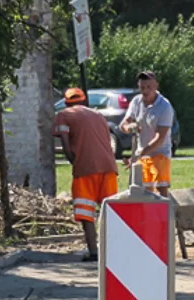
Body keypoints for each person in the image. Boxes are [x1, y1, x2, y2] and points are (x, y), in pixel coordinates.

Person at [52, 87, 119, 262]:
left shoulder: (63, 115)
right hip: (109, 167)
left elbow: (65, 144)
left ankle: (94, 253)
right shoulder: (98, 115)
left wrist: (75, 163)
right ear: (84, 101)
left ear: (66, 103)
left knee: (86, 213)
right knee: (109, 211)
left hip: (85, 170)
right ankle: (113, 251)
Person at [119, 71, 175, 197]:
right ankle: (148, 216)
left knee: (161, 190)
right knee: (145, 190)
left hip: (160, 153)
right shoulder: (136, 102)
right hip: (142, 154)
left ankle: (165, 215)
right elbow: (123, 124)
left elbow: (159, 138)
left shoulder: (164, 106)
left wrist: (137, 156)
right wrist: (129, 127)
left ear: (156, 86)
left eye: (149, 87)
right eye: (142, 87)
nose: (145, 91)